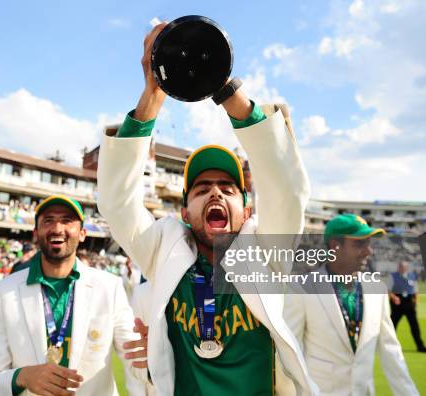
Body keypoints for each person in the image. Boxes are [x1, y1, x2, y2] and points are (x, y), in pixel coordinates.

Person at [97, 23, 316, 396]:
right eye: (201, 189)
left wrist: (224, 87)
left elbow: (287, 192)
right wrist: (152, 96)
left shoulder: (266, 250)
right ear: (185, 212)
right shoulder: (163, 248)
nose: (214, 193)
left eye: (228, 188)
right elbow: (117, 203)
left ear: (246, 211)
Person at [0, 195, 148, 396]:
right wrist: (22, 376)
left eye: (67, 220)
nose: (58, 228)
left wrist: (150, 353)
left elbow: (134, 359)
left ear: (83, 233)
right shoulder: (2, 292)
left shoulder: (109, 287)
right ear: (36, 233)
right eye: (48, 220)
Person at [283, 214, 419, 395]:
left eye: (369, 243)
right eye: (359, 244)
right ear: (334, 246)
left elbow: (391, 351)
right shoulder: (301, 288)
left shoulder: (377, 289)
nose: (368, 251)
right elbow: (290, 355)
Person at [389, 261, 426, 352]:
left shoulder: (412, 276)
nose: (401, 268)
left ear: (406, 268)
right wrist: (394, 297)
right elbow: (388, 290)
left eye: (403, 267)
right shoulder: (392, 276)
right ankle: (388, 346)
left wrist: (415, 302)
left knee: (414, 326)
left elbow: (415, 290)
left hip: (409, 303)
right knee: (392, 326)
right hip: (397, 304)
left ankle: (420, 346)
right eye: (400, 267)